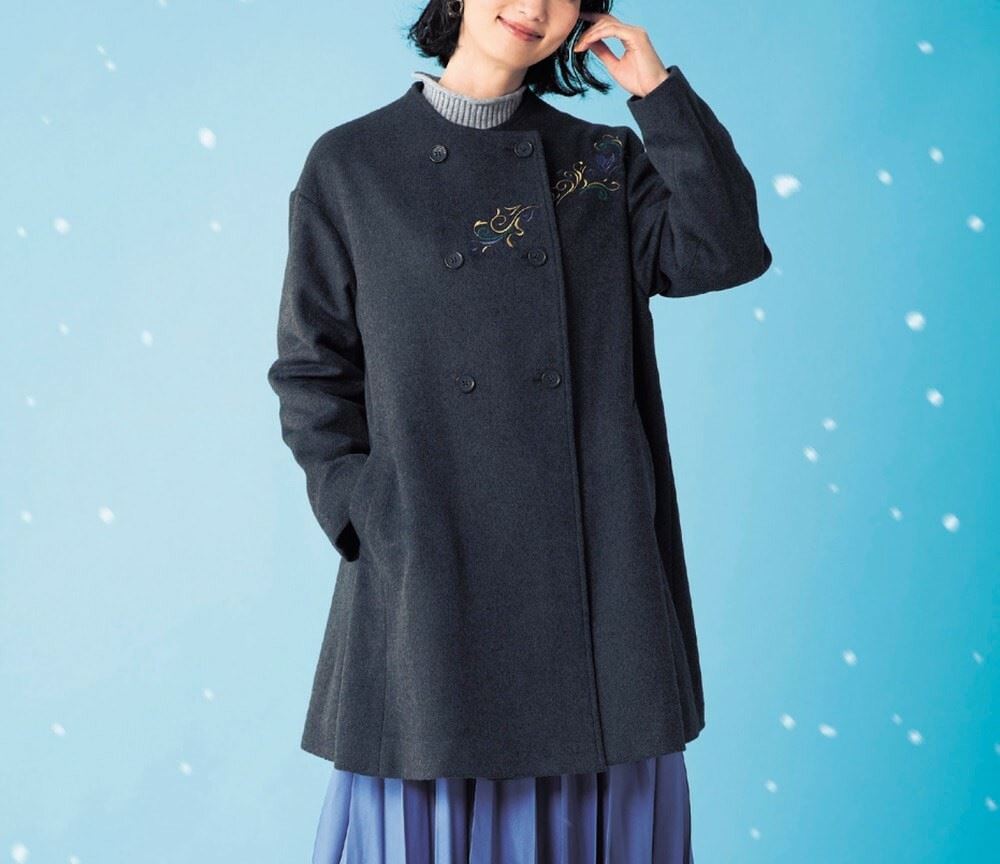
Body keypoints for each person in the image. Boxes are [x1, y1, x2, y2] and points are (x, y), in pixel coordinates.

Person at [267, 1, 772, 861]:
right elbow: (313, 369)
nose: (533, 6)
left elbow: (725, 249)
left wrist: (656, 94)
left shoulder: (599, 161)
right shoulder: (351, 164)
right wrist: (367, 508)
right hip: (430, 578)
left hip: (592, 579)